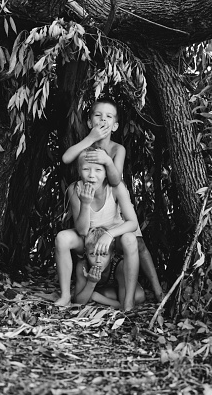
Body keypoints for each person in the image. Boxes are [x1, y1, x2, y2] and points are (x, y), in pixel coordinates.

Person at [62, 98, 163, 301]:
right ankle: (79, 294)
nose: (103, 120)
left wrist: (107, 161)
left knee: (138, 244)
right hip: (92, 212)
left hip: (116, 208)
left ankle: (158, 291)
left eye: (108, 117)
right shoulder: (85, 148)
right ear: (90, 122)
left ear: (115, 125)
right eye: (98, 115)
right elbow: (66, 158)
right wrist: (90, 139)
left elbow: (116, 180)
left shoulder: (117, 149)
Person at [55, 148, 140, 311]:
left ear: (106, 172)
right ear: (79, 171)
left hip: (112, 238)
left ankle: (128, 302)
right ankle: (65, 295)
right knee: (62, 238)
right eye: (86, 169)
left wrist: (109, 234)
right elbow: (81, 230)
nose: (92, 175)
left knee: (130, 239)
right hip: (87, 238)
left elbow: (133, 223)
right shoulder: (75, 188)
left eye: (98, 170)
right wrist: (85, 203)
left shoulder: (116, 188)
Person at [74, 227, 145, 308]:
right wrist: (91, 283)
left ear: (112, 255)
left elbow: (123, 305)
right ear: (86, 253)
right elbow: (79, 302)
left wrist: (95, 296)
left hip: (117, 289)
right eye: (93, 254)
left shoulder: (119, 265)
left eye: (104, 254)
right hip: (106, 291)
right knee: (108, 294)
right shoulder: (84, 265)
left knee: (139, 296)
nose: (98, 260)